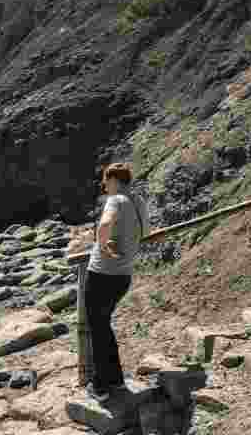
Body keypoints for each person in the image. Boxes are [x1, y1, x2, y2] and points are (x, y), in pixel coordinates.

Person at [85, 162, 148, 403]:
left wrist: (102, 246)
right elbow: (142, 232)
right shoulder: (137, 201)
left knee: (98, 329)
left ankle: (101, 386)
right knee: (103, 326)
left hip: (102, 275)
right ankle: (116, 379)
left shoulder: (116, 200)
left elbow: (104, 224)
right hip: (123, 276)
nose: (104, 187)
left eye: (105, 181)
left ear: (113, 180)